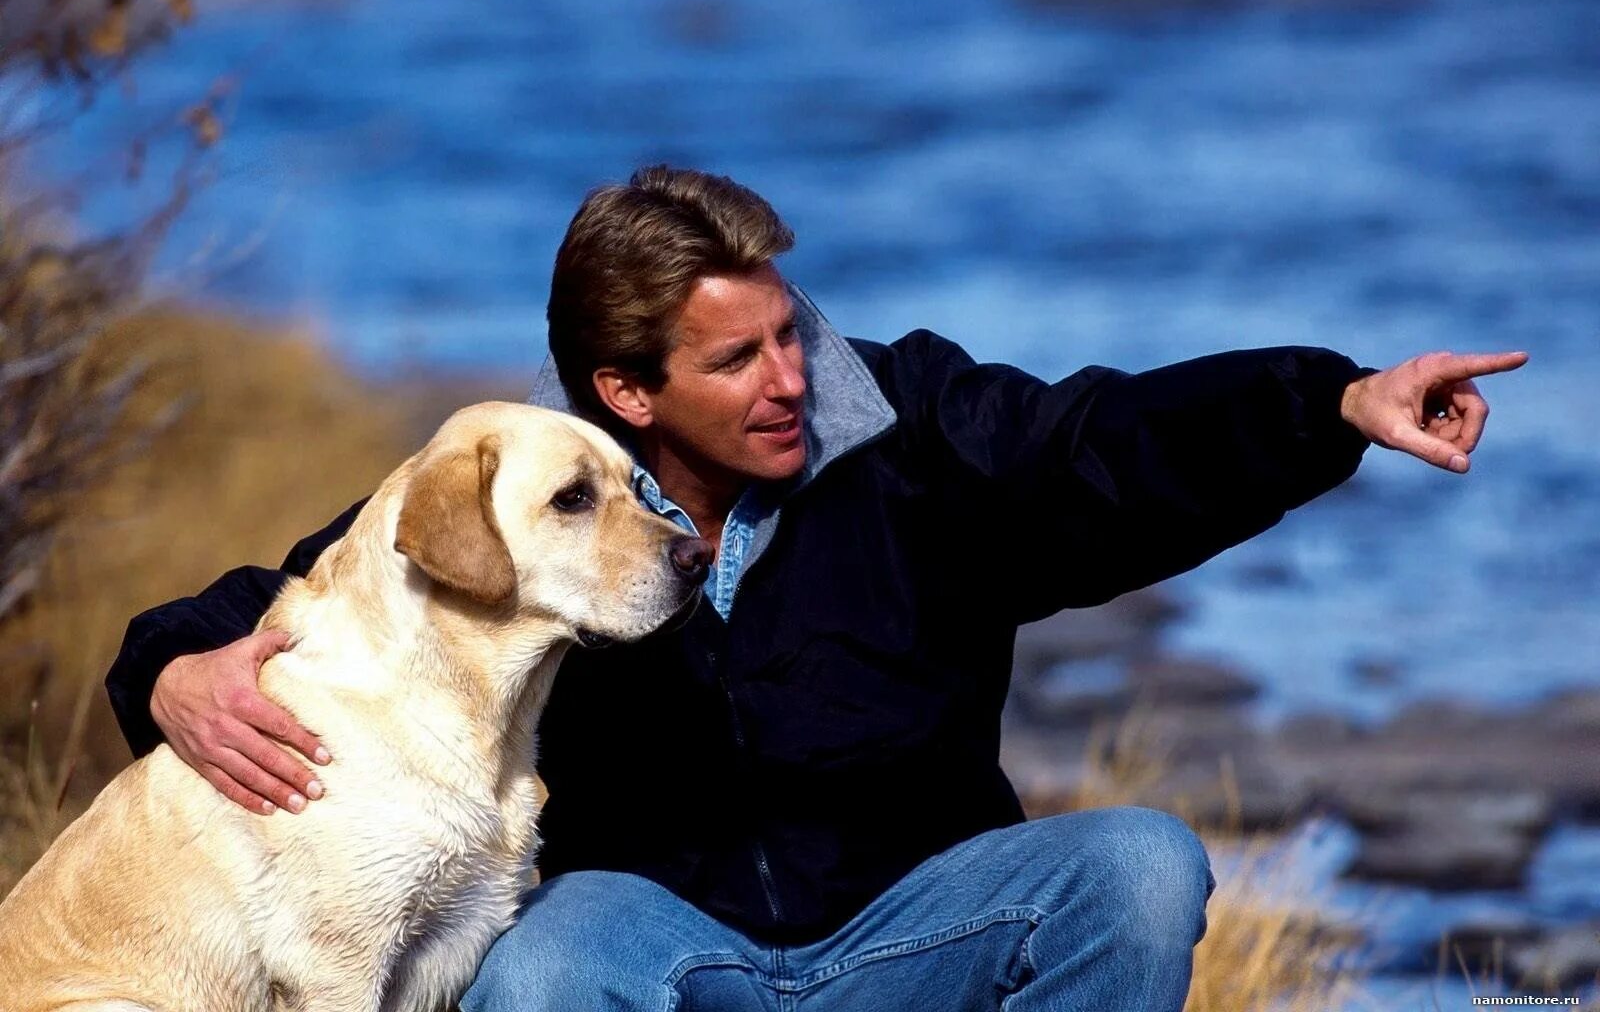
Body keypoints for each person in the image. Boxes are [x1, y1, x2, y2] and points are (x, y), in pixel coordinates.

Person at [106, 165, 1527, 1011]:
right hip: (662, 952)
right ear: (626, 391)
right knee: (543, 969)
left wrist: (1330, 401)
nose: (790, 381)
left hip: (919, 926)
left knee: (1139, 865)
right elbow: (302, 593)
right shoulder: (541, 504)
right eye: (737, 362)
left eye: (791, 333)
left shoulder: (914, 431)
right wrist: (167, 670)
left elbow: (1110, 449)